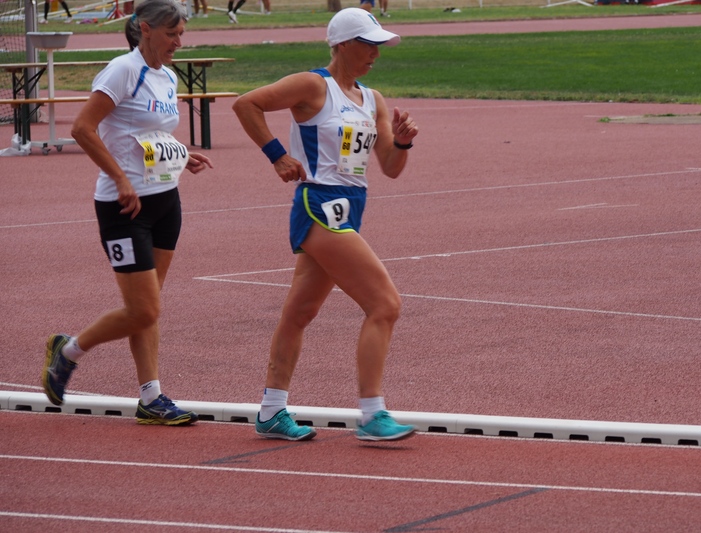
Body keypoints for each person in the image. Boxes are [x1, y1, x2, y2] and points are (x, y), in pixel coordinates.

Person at [232, 7, 419, 442]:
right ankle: (372, 414)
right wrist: (277, 155)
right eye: (368, 44)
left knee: (300, 312)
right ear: (342, 45)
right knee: (385, 304)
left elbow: (389, 166)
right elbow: (247, 104)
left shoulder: (373, 99)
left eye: (379, 45)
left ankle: (271, 411)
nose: (375, 53)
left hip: (352, 206)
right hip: (318, 205)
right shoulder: (313, 86)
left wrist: (405, 141)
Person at [43, 0, 213, 426]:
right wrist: (119, 178)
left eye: (182, 34)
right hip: (124, 208)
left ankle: (151, 397)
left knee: (148, 306)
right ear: (145, 29)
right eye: (172, 33)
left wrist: (179, 155)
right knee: (144, 309)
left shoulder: (168, 77)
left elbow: (148, 133)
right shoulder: (122, 70)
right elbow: (82, 128)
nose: (179, 41)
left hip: (166, 202)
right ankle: (68, 351)